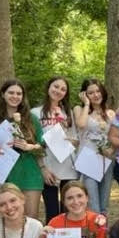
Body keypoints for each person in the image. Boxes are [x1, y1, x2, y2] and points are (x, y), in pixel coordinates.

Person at [0, 79, 46, 220]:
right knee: (7, 221)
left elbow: (42, 147)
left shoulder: (31, 119)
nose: (15, 96)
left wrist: (30, 146)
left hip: (30, 174)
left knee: (30, 220)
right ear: (3, 94)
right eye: (11, 92)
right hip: (5, 174)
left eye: (19, 93)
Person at [31, 76, 80, 222]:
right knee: (52, 213)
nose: (58, 91)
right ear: (48, 88)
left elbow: (76, 140)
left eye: (63, 89)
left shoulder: (68, 112)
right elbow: (33, 142)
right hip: (49, 168)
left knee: (70, 211)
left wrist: (73, 141)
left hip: (69, 167)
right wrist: (43, 168)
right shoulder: (35, 112)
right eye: (56, 86)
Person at [74, 78, 116, 214]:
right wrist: (86, 104)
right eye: (90, 93)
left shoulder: (110, 113)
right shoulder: (79, 109)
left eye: (98, 91)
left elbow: (114, 137)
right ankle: (94, 234)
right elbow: (81, 124)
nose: (96, 95)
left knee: (104, 206)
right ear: (84, 95)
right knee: (93, 205)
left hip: (106, 161)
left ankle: (104, 234)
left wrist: (111, 149)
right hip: (88, 161)